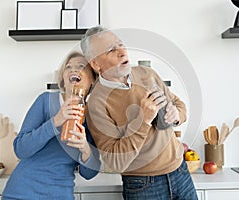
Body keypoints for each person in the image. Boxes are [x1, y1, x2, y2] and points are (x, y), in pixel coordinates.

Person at [80, 26, 198, 200]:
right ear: (96, 64)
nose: (122, 52)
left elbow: (178, 104)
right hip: (143, 186)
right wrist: (143, 120)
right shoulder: (96, 104)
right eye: (111, 50)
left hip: (181, 172)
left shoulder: (146, 73)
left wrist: (176, 115)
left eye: (120, 44)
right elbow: (115, 162)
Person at [1, 51, 101, 200]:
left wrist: (85, 149)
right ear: (63, 79)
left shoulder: (93, 116)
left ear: (92, 79)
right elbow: (20, 149)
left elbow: (89, 174)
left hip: (59, 194)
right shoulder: (45, 100)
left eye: (81, 66)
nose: (73, 70)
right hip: (21, 193)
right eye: (68, 67)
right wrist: (55, 122)